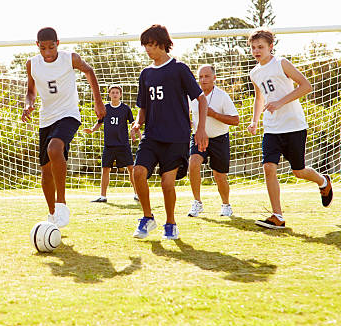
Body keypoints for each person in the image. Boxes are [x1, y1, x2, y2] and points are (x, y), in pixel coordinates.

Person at [247, 29, 333, 229]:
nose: (256, 50)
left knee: (299, 171)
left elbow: (305, 86)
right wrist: (255, 120)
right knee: (268, 167)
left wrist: (280, 102)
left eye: (260, 47)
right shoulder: (254, 73)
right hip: (271, 128)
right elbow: (259, 98)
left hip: (294, 125)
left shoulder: (281, 63)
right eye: (253, 47)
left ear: (270, 47)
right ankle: (277, 216)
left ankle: (323, 181)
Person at [22, 27, 106, 228]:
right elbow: (30, 91)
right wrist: (28, 104)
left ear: (58, 43)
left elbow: (89, 71)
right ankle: (52, 215)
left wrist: (98, 102)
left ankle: (61, 204)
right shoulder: (32, 64)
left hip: (69, 114)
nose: (48, 53)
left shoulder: (71, 58)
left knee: (54, 148)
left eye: (51, 47)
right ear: (37, 46)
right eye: (43, 48)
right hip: (46, 118)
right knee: (45, 171)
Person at [130, 24, 208, 240]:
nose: (148, 49)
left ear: (163, 44)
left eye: (152, 44)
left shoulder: (179, 69)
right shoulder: (145, 74)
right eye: (145, 45)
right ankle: (147, 218)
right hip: (152, 136)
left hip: (176, 137)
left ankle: (170, 223)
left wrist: (200, 128)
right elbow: (143, 106)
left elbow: (200, 99)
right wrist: (137, 123)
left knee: (167, 184)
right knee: (138, 173)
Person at [187, 64, 239, 218]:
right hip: (198, 137)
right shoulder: (192, 96)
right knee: (193, 163)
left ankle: (226, 205)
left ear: (214, 78)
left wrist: (214, 114)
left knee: (219, 176)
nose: (203, 80)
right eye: (200, 77)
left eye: (207, 76)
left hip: (219, 139)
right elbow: (188, 115)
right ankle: (197, 202)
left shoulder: (222, 96)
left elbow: (235, 120)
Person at [83, 85, 138, 203]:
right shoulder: (105, 108)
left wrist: (134, 130)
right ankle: (103, 196)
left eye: (117, 92)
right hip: (109, 145)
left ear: (120, 95)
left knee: (130, 168)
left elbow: (132, 122)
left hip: (123, 144)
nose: (115, 94)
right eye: (112, 92)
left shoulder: (125, 108)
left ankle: (137, 193)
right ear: (109, 94)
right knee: (105, 169)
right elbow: (99, 122)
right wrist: (92, 129)